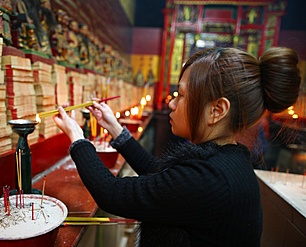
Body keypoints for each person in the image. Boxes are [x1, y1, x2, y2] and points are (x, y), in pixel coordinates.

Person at [53, 47, 301, 246]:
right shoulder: (225, 160)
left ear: (217, 110)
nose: (172, 104)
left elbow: (112, 193)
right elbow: (161, 177)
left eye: (181, 96)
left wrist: (77, 137)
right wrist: (116, 129)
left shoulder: (213, 178)